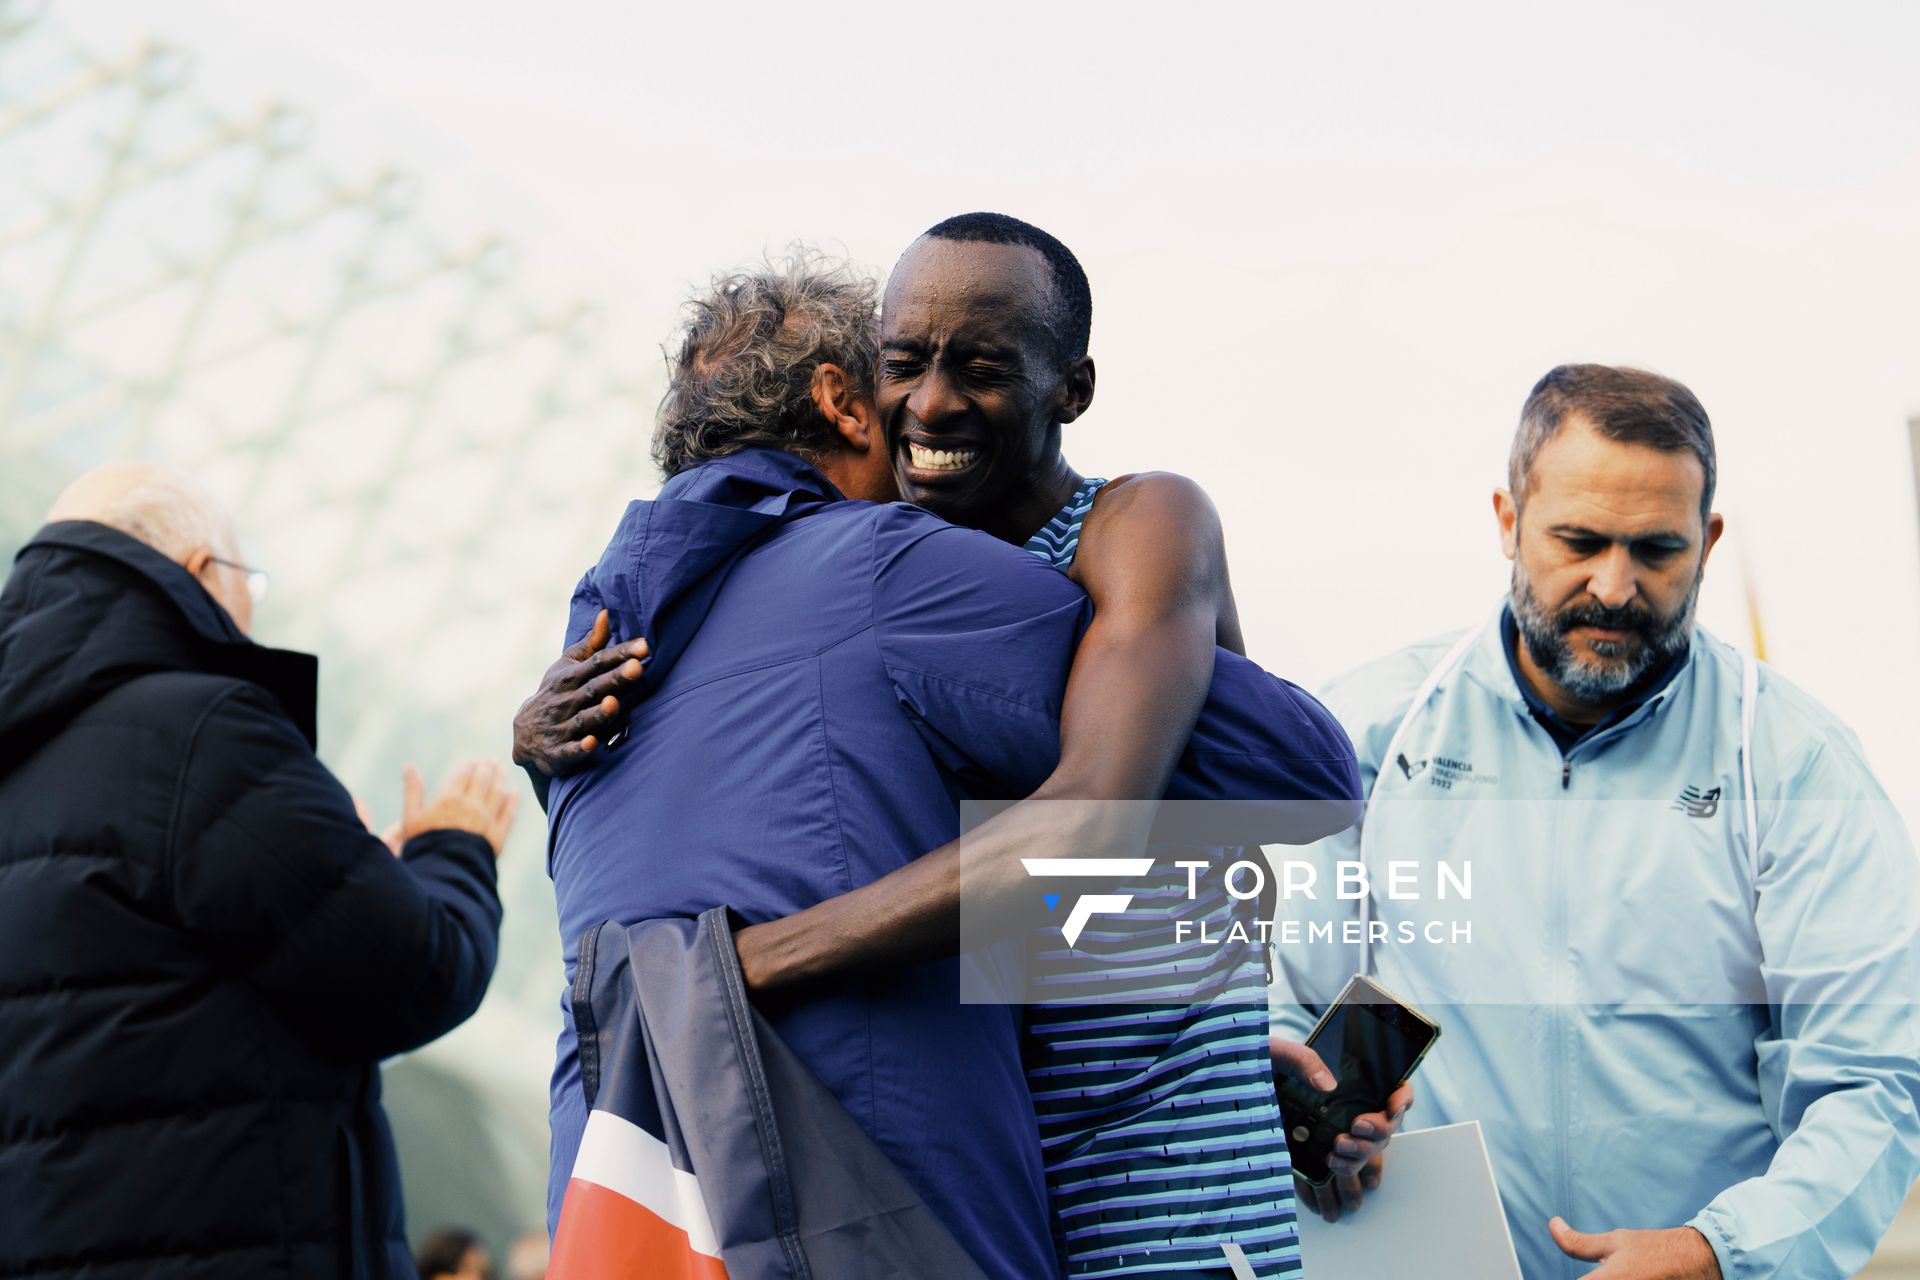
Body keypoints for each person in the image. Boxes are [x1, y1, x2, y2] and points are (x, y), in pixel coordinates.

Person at [518, 220, 1401, 1279]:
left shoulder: (1130, 525)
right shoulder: (896, 584)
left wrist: (738, 965)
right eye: (906, 365)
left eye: (978, 369)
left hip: (1159, 1194)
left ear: (1068, 389)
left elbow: (1201, 812)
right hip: (1028, 1175)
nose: (930, 403)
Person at [1270, 365, 1920, 1280]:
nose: (1614, 588)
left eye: (1656, 550)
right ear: (1506, 519)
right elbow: (1287, 1002)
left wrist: (1721, 1255)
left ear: (1709, 539)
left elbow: (1872, 1083)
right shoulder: (1364, 733)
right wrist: (1305, 1123)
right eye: (1578, 541)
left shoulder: (1797, 764)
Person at [0, 463, 519, 1279]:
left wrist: (345, 878)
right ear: (203, 573)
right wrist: (455, 848)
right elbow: (411, 972)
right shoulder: (202, 734)